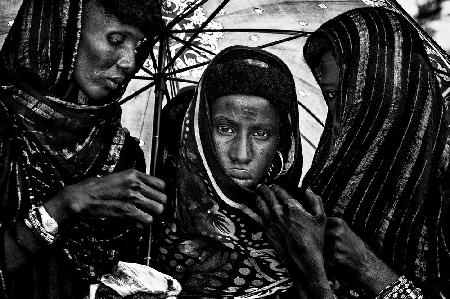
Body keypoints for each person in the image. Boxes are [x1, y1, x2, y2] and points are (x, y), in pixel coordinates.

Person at [0, 0, 167, 298]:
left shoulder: (123, 153)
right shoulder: (4, 129)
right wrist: (65, 205)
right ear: (62, 31)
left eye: (139, 45)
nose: (130, 61)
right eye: (116, 40)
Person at [154, 45, 335, 298]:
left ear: (280, 143)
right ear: (201, 130)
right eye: (225, 129)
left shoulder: (303, 223)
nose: (241, 154)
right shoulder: (155, 222)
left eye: (261, 134)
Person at [300, 7, 450, 298]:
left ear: (396, 85)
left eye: (356, 89)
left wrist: (369, 268)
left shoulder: (443, 196)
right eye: (332, 95)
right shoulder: (322, 188)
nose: (342, 111)